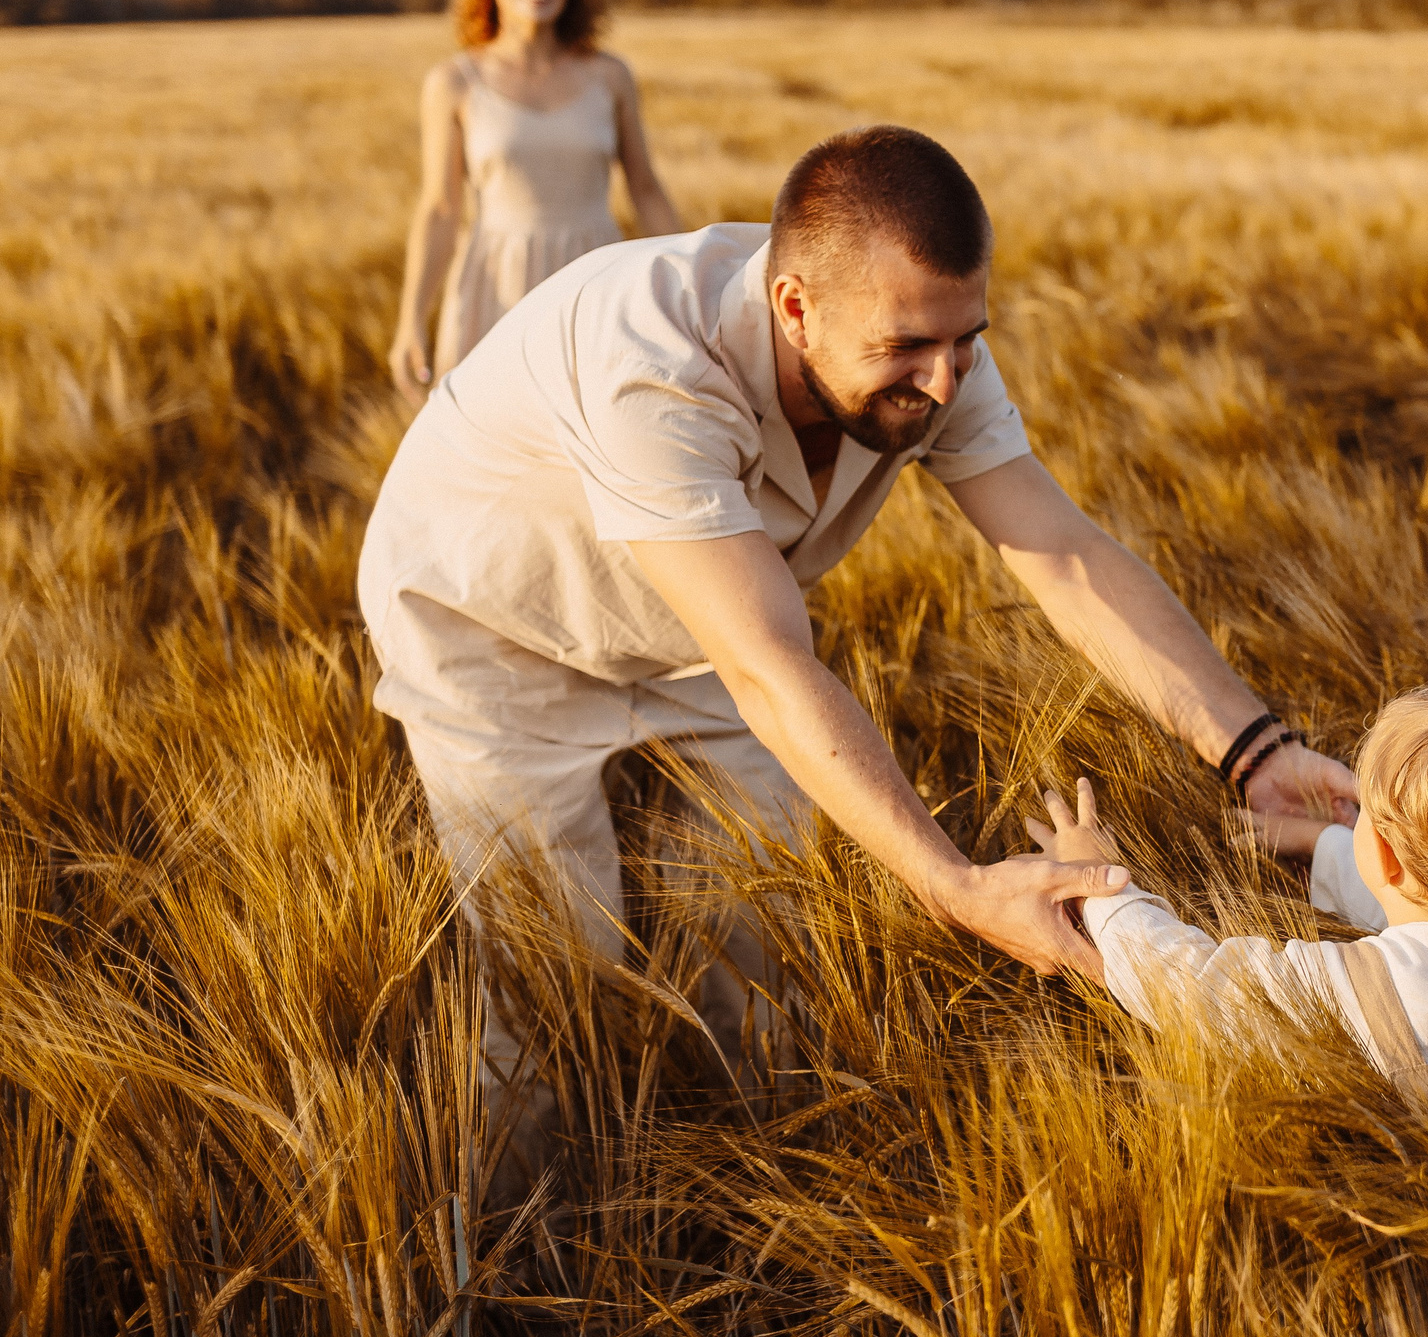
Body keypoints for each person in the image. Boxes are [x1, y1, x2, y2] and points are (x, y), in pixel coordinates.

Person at [358, 124, 1357, 1127]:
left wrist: (1253, 749)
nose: (942, 381)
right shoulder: (653, 357)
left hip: (704, 625)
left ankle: (753, 1188)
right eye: (909, 349)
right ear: (795, 308)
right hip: (493, 633)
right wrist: (952, 883)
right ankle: (521, 1244)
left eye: (965, 338)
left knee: (766, 933)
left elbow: (1061, 551)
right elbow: (765, 661)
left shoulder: (925, 337)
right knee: (555, 970)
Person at [1031, 680, 1428, 1262]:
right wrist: (1325, 843)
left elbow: (1193, 986)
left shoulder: (1359, 994)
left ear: (1381, 855)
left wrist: (1099, 888)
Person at [387, 0, 685, 403]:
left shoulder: (609, 77)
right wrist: (410, 320)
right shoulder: (454, 83)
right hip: (493, 290)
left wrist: (696, 289)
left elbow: (647, 190)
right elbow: (440, 208)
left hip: (596, 284)